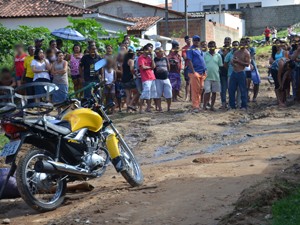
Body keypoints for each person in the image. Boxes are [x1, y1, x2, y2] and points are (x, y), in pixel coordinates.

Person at [228, 38, 251, 110]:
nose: (241, 44)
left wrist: (238, 62)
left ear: (245, 44)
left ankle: (243, 105)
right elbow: (233, 61)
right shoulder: (236, 52)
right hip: (234, 72)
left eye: (243, 43)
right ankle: (232, 105)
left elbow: (247, 64)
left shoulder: (246, 53)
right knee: (231, 90)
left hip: (241, 72)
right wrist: (233, 62)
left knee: (243, 90)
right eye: (241, 43)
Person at [186, 35, 207, 113]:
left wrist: (205, 70)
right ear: (193, 41)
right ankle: (195, 106)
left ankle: (198, 104)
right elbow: (189, 61)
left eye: (198, 40)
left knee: (201, 89)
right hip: (195, 72)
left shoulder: (199, 50)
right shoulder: (190, 50)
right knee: (195, 90)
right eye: (195, 40)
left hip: (202, 72)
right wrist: (193, 71)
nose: (196, 42)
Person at [203, 41, 223, 111]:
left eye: (213, 46)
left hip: (216, 77)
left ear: (215, 46)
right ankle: (204, 106)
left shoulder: (218, 56)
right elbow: (203, 65)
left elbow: (220, 66)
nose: (212, 47)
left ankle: (212, 106)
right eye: (210, 46)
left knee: (214, 92)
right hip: (207, 77)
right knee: (207, 92)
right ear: (208, 47)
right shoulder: (205, 55)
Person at [270, 39, 288, 107]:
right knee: (278, 85)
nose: (277, 45)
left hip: (282, 68)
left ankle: (283, 100)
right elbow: (271, 60)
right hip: (275, 69)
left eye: (278, 43)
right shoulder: (274, 52)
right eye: (276, 44)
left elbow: (285, 59)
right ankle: (279, 101)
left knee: (284, 85)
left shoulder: (283, 52)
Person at [138, 45, 156, 113]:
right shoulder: (141, 58)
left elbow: (153, 66)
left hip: (152, 77)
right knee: (144, 93)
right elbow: (142, 67)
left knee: (150, 93)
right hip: (145, 78)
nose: (150, 50)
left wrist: (152, 58)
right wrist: (149, 67)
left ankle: (148, 108)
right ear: (145, 49)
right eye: (149, 49)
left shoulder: (149, 58)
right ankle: (140, 109)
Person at [154, 47, 172, 112]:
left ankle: (169, 108)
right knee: (158, 94)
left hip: (166, 78)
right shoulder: (154, 59)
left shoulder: (165, 59)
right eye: (160, 52)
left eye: (162, 52)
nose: (161, 53)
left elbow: (168, 67)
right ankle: (160, 108)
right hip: (158, 79)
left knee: (169, 94)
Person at [225, 41, 240, 107]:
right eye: (233, 45)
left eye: (236, 45)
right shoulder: (229, 54)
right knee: (231, 90)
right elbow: (225, 64)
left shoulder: (241, 53)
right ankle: (231, 105)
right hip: (230, 75)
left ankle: (239, 104)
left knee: (239, 90)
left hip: (240, 74)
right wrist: (230, 69)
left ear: (239, 46)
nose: (235, 47)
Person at [218, 37, 232, 109]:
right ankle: (223, 103)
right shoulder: (220, 50)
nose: (226, 43)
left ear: (230, 42)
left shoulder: (233, 50)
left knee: (231, 89)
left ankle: (230, 103)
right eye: (225, 42)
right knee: (223, 89)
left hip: (231, 73)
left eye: (228, 42)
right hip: (223, 72)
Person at [182, 35, 191, 101]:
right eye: (187, 40)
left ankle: (192, 97)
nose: (189, 41)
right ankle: (187, 96)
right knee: (188, 82)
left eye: (189, 39)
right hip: (188, 66)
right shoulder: (184, 48)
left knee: (194, 82)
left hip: (195, 66)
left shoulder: (194, 47)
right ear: (185, 41)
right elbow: (185, 57)